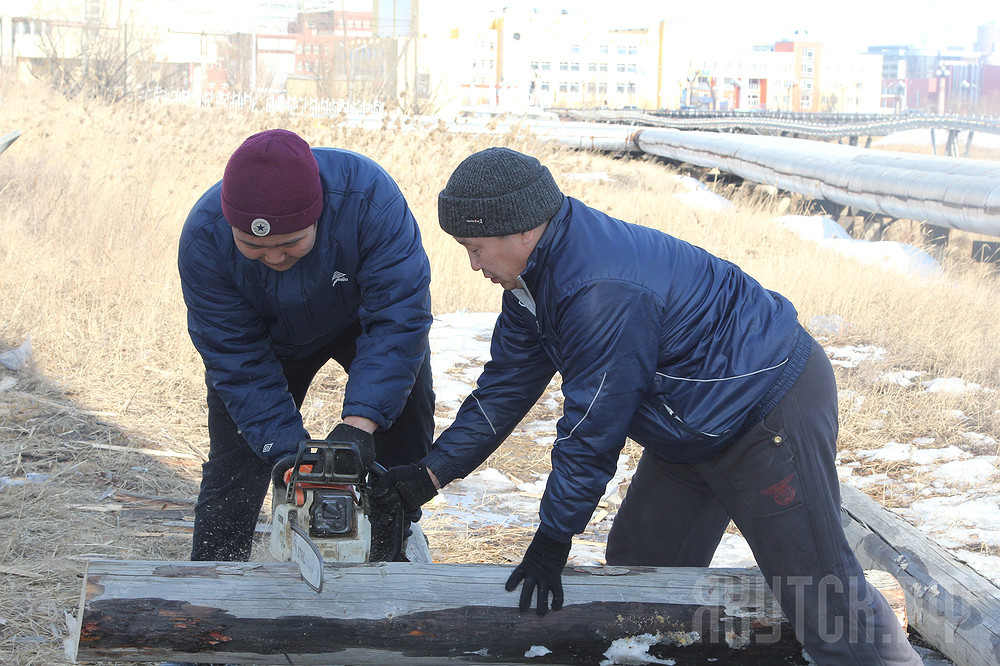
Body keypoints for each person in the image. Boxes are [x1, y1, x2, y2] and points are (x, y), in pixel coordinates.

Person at [372, 147, 922, 665]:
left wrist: (553, 536)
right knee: (643, 561)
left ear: (521, 229)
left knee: (817, 589)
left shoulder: (598, 288)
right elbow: (501, 392)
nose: (472, 265)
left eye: (475, 248)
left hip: (766, 409)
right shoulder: (532, 283)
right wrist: (429, 474)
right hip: (690, 421)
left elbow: (593, 423)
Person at [178, 128, 434, 564]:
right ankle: (214, 582)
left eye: (289, 243)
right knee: (237, 463)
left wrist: (359, 426)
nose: (275, 258)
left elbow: (398, 319)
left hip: (358, 321)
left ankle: (393, 543)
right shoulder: (205, 239)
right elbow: (237, 360)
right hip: (267, 337)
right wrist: (285, 455)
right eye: (254, 248)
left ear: (318, 214)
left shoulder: (368, 199)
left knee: (402, 431)